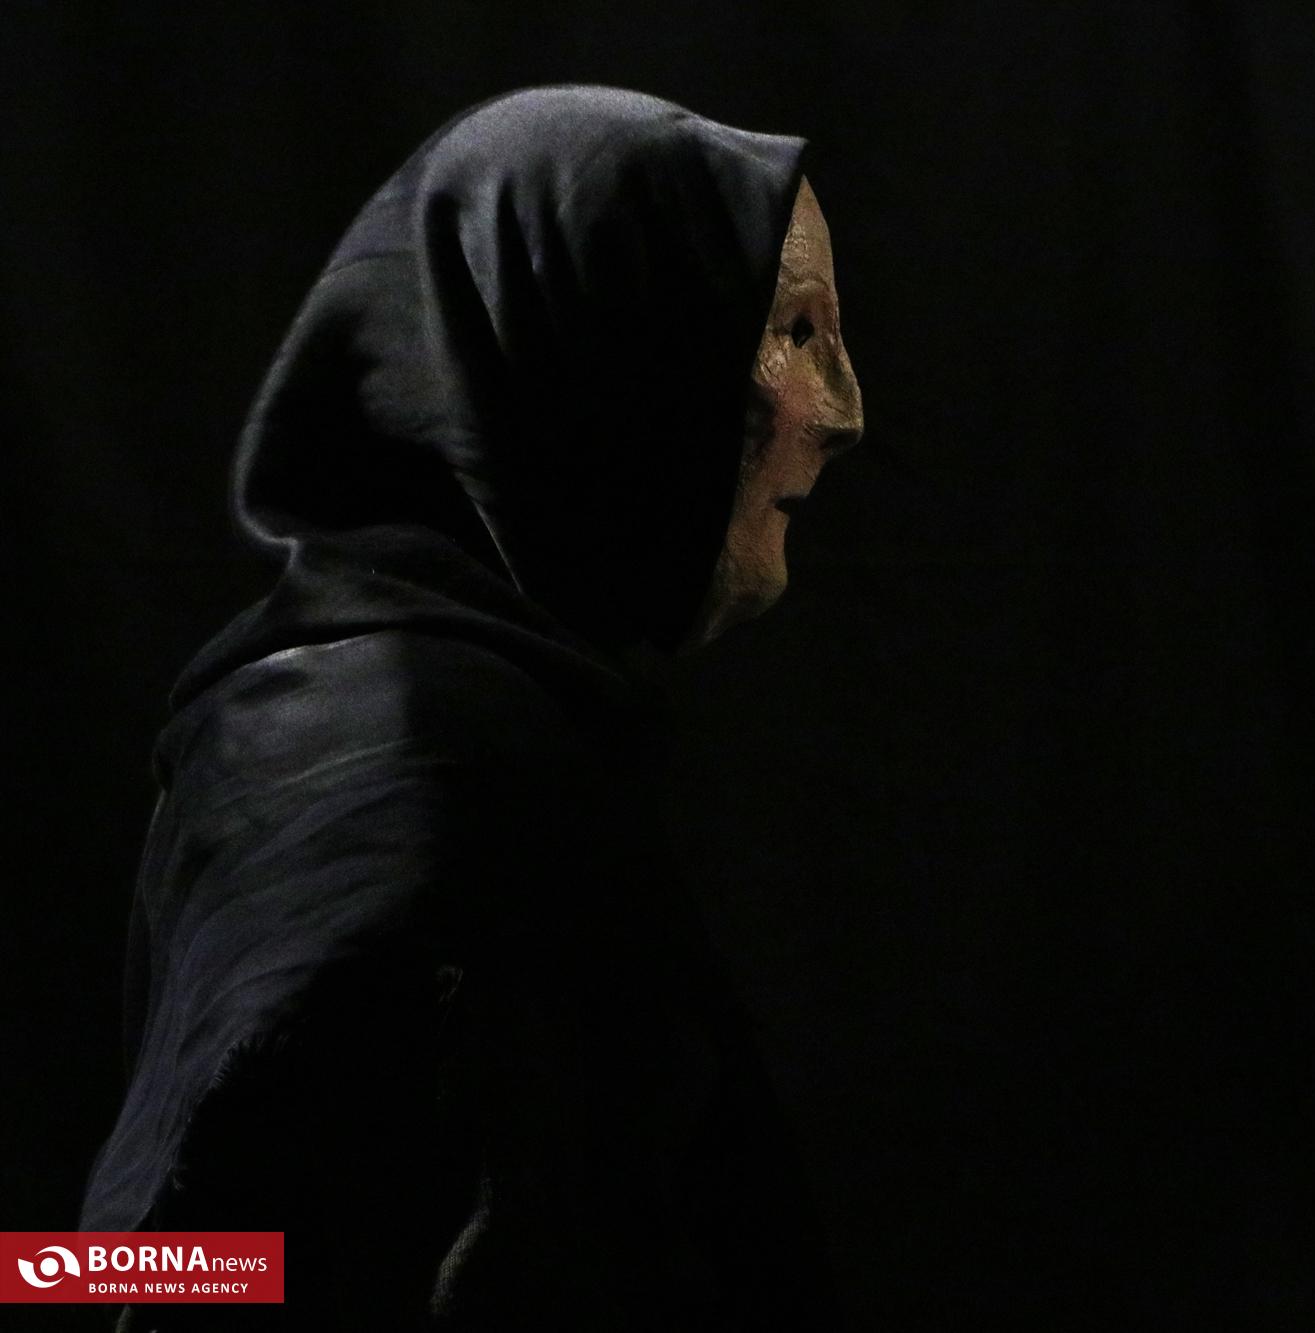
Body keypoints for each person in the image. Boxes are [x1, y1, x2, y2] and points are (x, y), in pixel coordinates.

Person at [79, 84, 863, 1329]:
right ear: (607, 351)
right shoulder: (400, 764)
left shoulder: (477, 725)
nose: (841, 410)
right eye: (794, 331)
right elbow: (165, 1266)